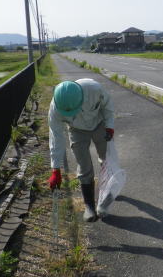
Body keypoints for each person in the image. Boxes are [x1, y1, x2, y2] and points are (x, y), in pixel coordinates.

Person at [48, 78, 114, 222]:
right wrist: (56, 169)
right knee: (84, 166)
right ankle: (89, 206)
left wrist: (109, 126)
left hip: (99, 124)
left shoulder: (94, 89)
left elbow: (107, 106)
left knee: (107, 159)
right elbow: (56, 138)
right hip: (76, 130)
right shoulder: (55, 109)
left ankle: (107, 194)